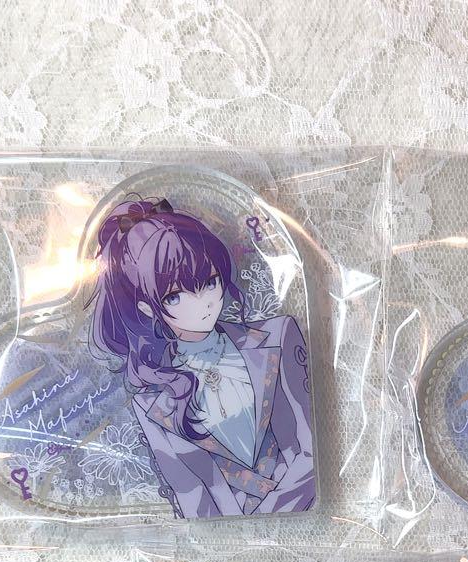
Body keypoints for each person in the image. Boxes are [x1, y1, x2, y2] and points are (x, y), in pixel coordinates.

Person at [88, 197, 315, 518]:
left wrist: (270, 516)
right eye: (175, 296)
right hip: (235, 540)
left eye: (209, 282)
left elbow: (312, 450)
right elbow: (196, 502)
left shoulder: (279, 337)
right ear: (146, 308)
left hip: (308, 512)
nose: (203, 302)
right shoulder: (152, 404)